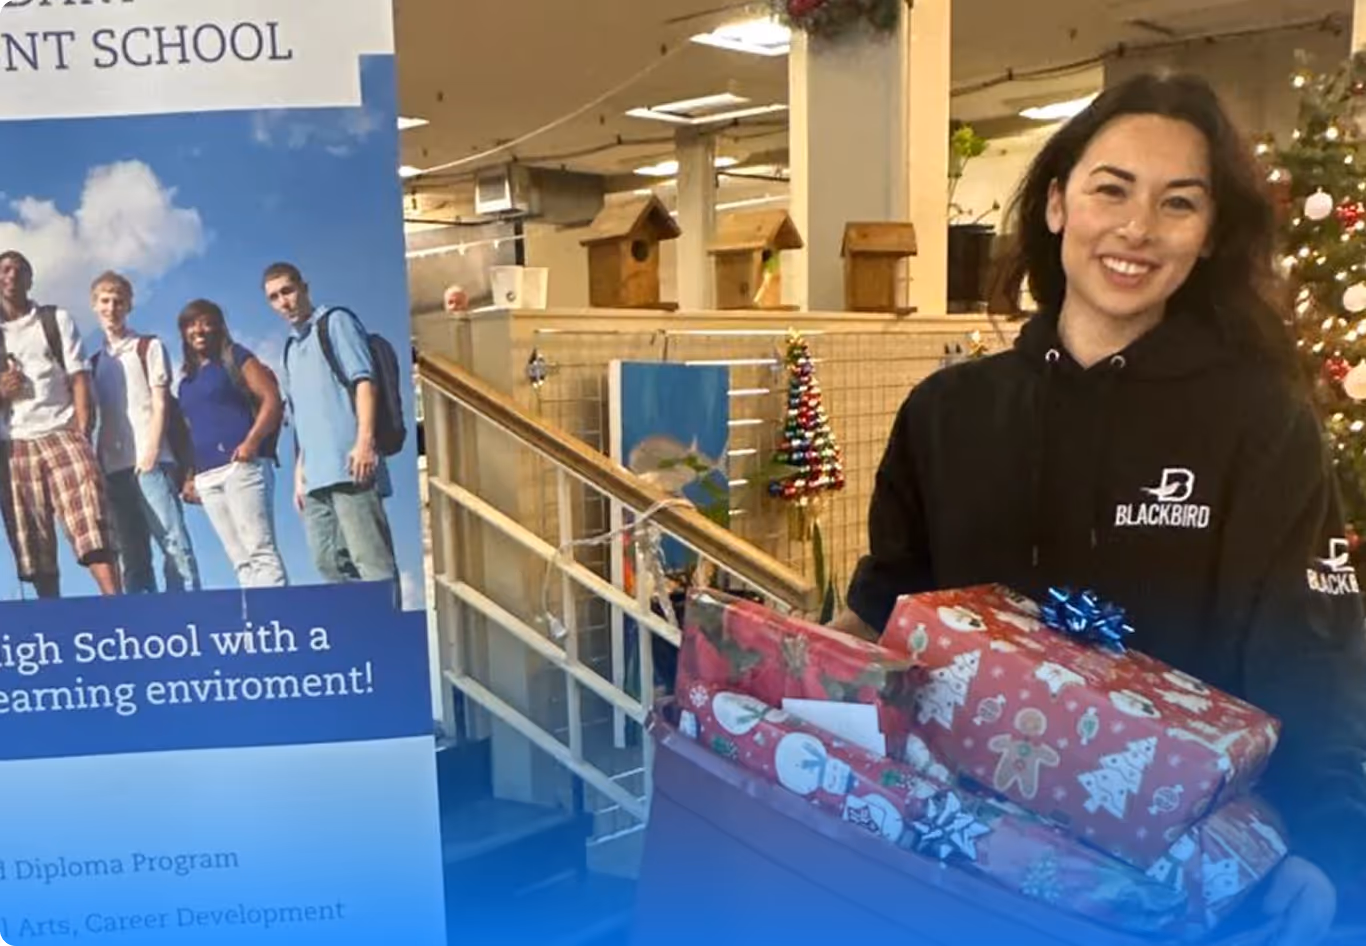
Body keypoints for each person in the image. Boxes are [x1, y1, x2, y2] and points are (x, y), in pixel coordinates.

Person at [831, 73, 1366, 945]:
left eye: (1177, 204)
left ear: (1210, 234)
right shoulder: (947, 411)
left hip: (1177, 884)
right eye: (1110, 189)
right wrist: (763, 674)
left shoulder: (1261, 423)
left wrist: (1332, 852)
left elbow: (1313, 656)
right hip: (958, 866)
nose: (1136, 228)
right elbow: (887, 609)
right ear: (1056, 204)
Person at [264, 261, 397, 584]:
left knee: (372, 563)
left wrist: (364, 442)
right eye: (274, 297)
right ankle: (358, 629)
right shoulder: (290, 349)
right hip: (314, 480)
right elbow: (300, 417)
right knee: (328, 565)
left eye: (288, 291)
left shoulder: (336, 322)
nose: (284, 302)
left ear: (304, 287)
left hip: (351, 465)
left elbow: (364, 381)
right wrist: (299, 475)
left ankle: (387, 629)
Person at [0, 251, 120, 598]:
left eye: (19, 270)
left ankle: (116, 605)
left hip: (61, 430)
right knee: (31, 536)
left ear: (30, 280)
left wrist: (82, 430)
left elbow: (79, 376)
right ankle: (51, 616)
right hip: (13, 441)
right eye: (4, 270)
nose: (11, 275)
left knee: (90, 517)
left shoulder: (54, 319)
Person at [89, 271, 201, 594]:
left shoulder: (148, 346)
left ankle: (188, 615)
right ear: (95, 306)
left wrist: (152, 451)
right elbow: (98, 418)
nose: (112, 308)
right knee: (133, 558)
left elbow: (160, 401)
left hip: (151, 463)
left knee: (174, 544)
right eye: (106, 301)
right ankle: (144, 626)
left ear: (129, 305)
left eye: (119, 301)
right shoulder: (94, 362)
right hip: (114, 470)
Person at [175, 299, 288, 588]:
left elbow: (272, 400)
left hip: (243, 467)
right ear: (184, 332)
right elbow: (189, 432)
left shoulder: (236, 356)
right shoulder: (186, 382)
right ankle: (258, 624)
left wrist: (251, 443)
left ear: (218, 326)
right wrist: (189, 477)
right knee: (239, 560)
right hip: (206, 477)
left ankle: (280, 618)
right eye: (191, 324)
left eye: (205, 321)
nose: (198, 329)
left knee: (260, 550)